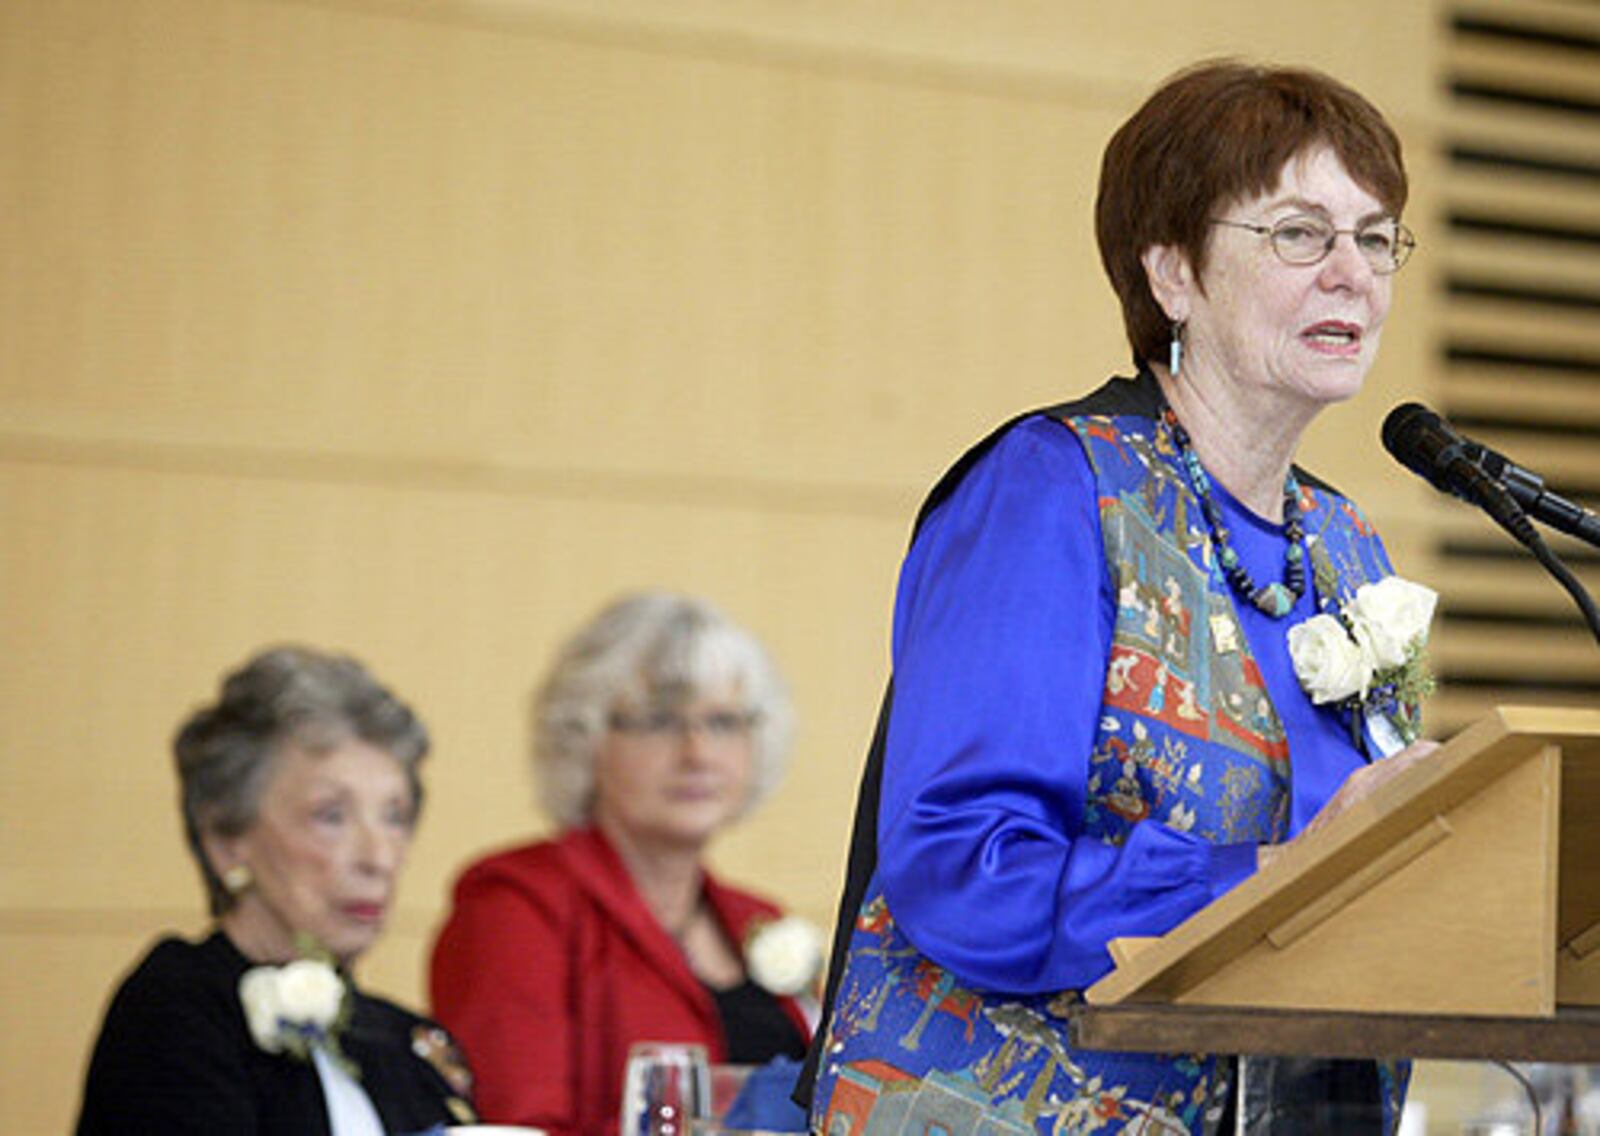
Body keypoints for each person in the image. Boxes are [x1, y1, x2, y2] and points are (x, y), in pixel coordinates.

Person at [799, 60, 1439, 1136]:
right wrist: (1277, 878)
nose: (1353, 274)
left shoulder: (1345, 545)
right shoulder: (1054, 489)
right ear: (1172, 272)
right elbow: (963, 866)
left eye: (1374, 238)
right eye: (1298, 233)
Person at [430, 592, 815, 1134]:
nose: (698, 753)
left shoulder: (759, 917)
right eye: (659, 720)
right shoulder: (516, 904)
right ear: (582, 738)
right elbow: (518, 1128)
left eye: (724, 722)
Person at [77, 646, 476, 1135]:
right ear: (226, 839)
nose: (379, 858)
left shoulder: (405, 1039)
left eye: (394, 817)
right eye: (331, 816)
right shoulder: (178, 1007)